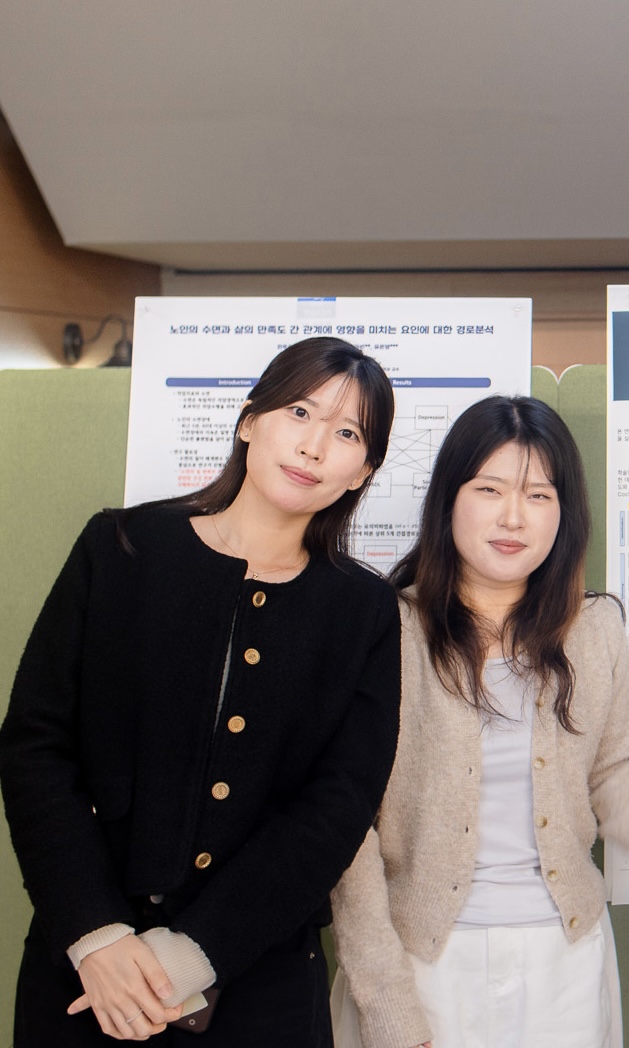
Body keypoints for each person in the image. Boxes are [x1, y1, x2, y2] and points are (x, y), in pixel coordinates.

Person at [1, 336, 401, 1045]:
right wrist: (96, 934)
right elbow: (36, 746)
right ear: (249, 420)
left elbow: (339, 805)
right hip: (90, 974)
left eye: (347, 434)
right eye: (299, 412)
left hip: (260, 983)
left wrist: (191, 954)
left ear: (363, 471)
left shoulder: (362, 610)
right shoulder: (121, 549)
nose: (313, 447)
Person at [329, 394, 629, 1048]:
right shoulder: (387, 629)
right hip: (423, 961)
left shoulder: (595, 628)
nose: (513, 517)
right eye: (489, 489)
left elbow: (616, 775)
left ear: (564, 513)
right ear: (448, 499)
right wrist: (384, 1000)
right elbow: (345, 831)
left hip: (563, 956)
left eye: (539, 495)